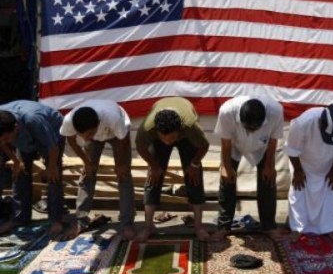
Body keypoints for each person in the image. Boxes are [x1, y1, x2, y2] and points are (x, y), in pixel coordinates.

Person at [135, 97, 210, 242]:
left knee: (194, 177)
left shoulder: (189, 126)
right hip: (159, 135)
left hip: (186, 139)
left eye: (172, 138)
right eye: (165, 138)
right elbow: (140, 146)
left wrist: (194, 164)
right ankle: (148, 226)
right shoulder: (147, 128)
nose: (168, 142)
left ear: (180, 129)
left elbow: (204, 145)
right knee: (153, 179)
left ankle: (199, 226)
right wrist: (154, 166)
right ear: (156, 131)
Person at [59, 100, 136, 240]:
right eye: (82, 135)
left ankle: (127, 223)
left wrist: (119, 165)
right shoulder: (69, 120)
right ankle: (80, 221)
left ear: (98, 123)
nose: (86, 138)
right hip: (97, 135)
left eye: (89, 134)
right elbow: (71, 141)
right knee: (87, 175)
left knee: (123, 175)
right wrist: (86, 162)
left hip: (117, 135)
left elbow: (123, 139)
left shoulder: (113, 117)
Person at [211, 95, 284, 241]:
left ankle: (269, 226)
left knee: (268, 179)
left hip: (262, 146)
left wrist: (269, 166)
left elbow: (273, 141)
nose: (251, 131)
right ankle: (223, 226)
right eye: (248, 128)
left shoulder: (276, 111)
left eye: (254, 128)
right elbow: (225, 143)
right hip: (234, 145)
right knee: (227, 180)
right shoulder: (227, 111)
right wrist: (226, 167)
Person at [285, 105, 333, 236]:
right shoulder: (302, 123)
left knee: (330, 193)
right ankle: (297, 228)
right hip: (303, 163)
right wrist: (298, 171)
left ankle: (328, 228)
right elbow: (292, 149)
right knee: (298, 192)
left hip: (329, 165)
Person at [0, 100, 65, 237]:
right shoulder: (4, 127)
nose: (4, 142)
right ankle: (19, 218)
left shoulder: (33, 119)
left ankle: (55, 220)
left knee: (53, 176)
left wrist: (51, 167)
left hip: (52, 131)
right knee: (20, 174)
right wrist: (16, 161)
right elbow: (2, 142)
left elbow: (53, 148)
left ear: (16, 127)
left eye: (7, 138)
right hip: (23, 139)